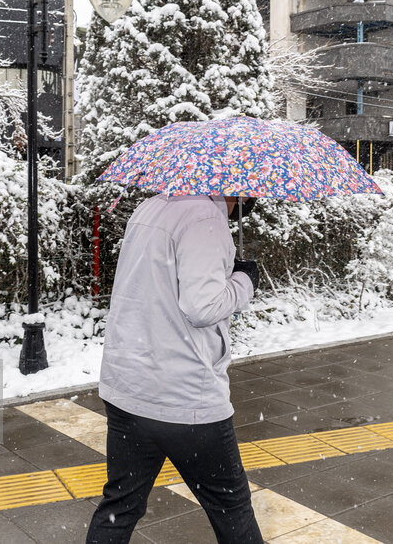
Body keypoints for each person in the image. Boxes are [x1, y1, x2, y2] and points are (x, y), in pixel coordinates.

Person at [86, 193, 263, 544]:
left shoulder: (150, 206)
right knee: (231, 508)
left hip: (129, 387)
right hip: (185, 396)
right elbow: (203, 307)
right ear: (234, 187)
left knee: (119, 507)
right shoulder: (206, 219)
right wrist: (244, 282)